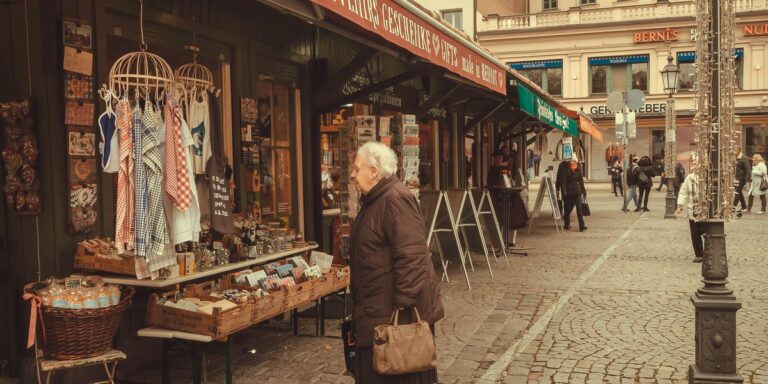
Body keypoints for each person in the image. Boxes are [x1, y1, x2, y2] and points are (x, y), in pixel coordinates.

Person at [348, 141, 444, 384]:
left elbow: (413, 256)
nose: (352, 174)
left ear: (374, 171)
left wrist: (401, 307)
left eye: (356, 169)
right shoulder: (375, 201)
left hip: (393, 318)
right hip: (376, 312)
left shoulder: (394, 199)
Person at [676, 171, 703, 263]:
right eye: (694, 163)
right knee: (695, 234)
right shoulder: (690, 178)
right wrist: (680, 205)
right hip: (693, 209)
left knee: (708, 232)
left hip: (706, 209)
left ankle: (709, 253)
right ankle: (699, 254)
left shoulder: (709, 175)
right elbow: (683, 192)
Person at [556, 158, 587, 231]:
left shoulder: (576, 167)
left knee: (576, 209)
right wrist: (563, 191)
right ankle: (568, 224)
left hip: (574, 192)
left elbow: (580, 180)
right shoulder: (565, 167)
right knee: (570, 209)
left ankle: (580, 225)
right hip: (570, 192)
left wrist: (583, 190)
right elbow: (563, 181)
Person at [733, 146, 751, 212]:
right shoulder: (735, 158)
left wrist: (747, 180)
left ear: (739, 150)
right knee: (739, 192)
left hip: (742, 178)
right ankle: (744, 207)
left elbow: (748, 169)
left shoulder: (744, 159)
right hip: (736, 178)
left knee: (737, 192)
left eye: (735, 150)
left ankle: (733, 207)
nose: (733, 151)